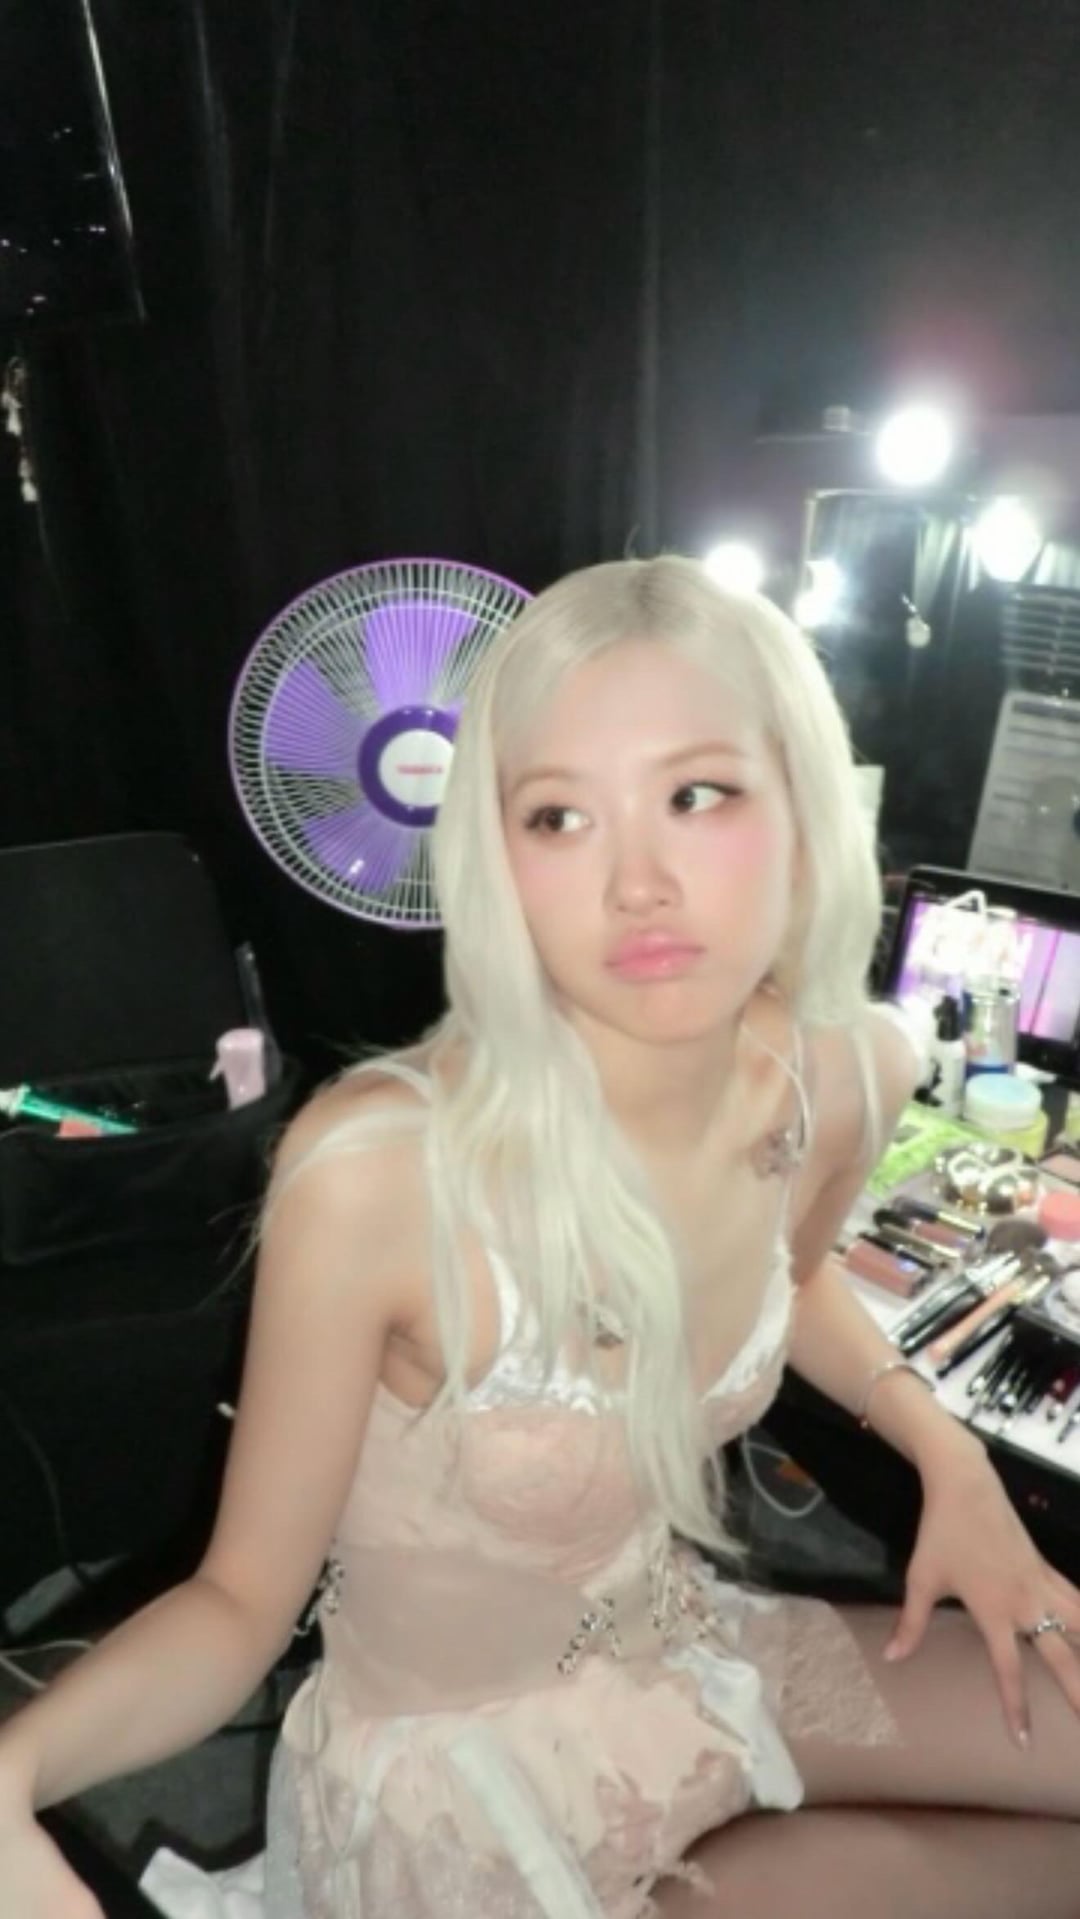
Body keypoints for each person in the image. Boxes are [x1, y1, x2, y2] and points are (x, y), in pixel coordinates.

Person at [1, 554, 1079, 1919]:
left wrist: (947, 1453)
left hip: (684, 1657)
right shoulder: (378, 1175)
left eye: (698, 794)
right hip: (470, 1788)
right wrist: (13, 1768)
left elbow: (788, 1282)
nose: (638, 883)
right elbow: (236, 1603)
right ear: (492, 860)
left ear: (804, 808)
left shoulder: (847, 1074)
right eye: (559, 817)